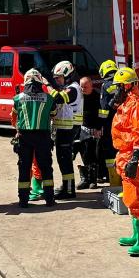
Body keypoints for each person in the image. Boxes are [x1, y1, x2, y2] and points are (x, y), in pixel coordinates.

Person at [111, 66, 139, 257]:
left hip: (134, 157)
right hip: (126, 155)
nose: (116, 89)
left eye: (119, 86)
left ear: (128, 85)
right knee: (131, 197)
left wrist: (135, 158)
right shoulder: (127, 104)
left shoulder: (138, 106)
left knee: (136, 198)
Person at [11, 68, 58, 208]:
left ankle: (23, 201)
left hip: (24, 137)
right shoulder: (49, 98)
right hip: (43, 136)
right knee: (46, 168)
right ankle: (49, 199)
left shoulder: (18, 98)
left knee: (24, 168)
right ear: (40, 81)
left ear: (25, 81)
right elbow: (53, 114)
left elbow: (14, 118)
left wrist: (18, 129)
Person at [49, 60, 83, 199]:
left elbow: (58, 99)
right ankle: (66, 186)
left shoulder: (73, 88)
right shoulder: (69, 87)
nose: (56, 80)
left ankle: (69, 190)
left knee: (65, 160)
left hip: (68, 129)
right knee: (63, 159)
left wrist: (46, 86)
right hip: (65, 129)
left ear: (67, 75)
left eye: (59, 77)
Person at [96, 59, 120, 187]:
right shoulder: (120, 84)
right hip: (121, 123)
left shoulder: (105, 85)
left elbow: (104, 108)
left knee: (110, 153)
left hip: (109, 124)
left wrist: (100, 124)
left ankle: (114, 182)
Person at [76, 76, 101, 189]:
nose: (83, 89)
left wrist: (99, 128)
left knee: (93, 155)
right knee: (84, 153)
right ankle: (85, 179)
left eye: (85, 87)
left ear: (91, 86)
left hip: (94, 130)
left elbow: (102, 113)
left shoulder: (97, 96)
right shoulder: (78, 96)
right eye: (81, 87)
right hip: (81, 129)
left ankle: (93, 180)